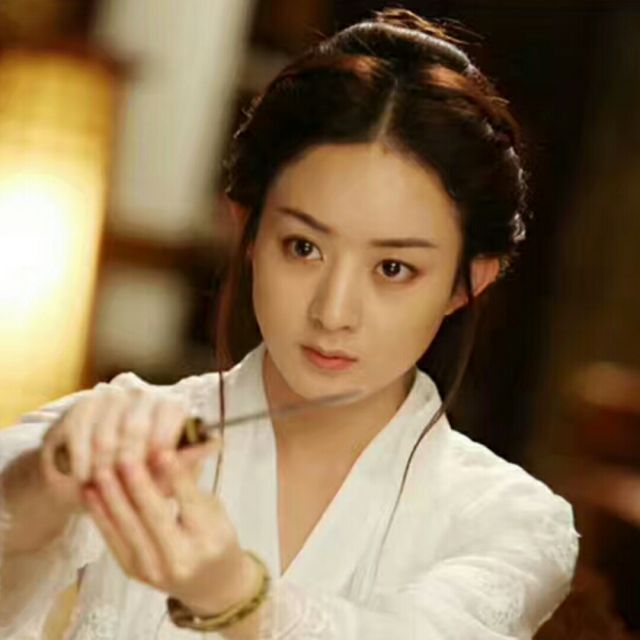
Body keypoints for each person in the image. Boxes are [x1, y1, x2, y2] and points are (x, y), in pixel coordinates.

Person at [0, 7, 580, 639]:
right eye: (303, 248)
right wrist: (41, 488)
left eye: (393, 268)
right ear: (247, 230)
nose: (333, 312)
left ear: (469, 282)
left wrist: (234, 596)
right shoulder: (120, 432)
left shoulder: (510, 522)